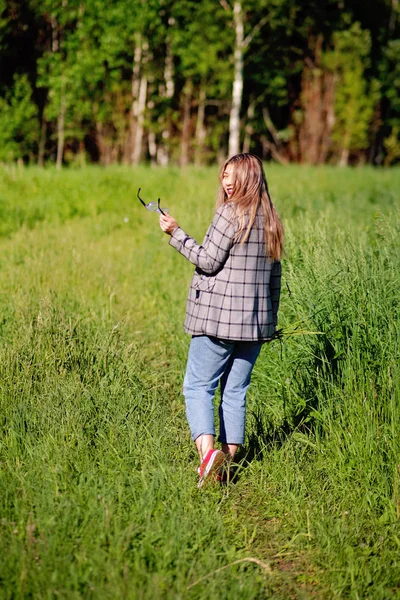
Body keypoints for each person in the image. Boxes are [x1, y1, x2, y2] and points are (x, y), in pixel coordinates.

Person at [159, 153, 283, 487]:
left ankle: (208, 457)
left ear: (249, 178)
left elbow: (208, 260)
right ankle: (226, 467)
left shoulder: (230, 213)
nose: (226, 182)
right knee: (235, 391)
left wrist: (176, 232)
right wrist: (269, 324)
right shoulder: (271, 219)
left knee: (198, 386)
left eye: (233, 176)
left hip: (219, 323)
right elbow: (276, 279)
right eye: (224, 175)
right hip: (256, 327)